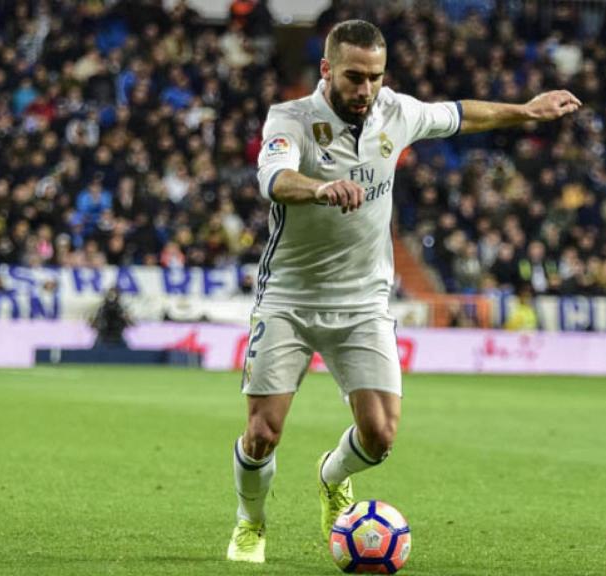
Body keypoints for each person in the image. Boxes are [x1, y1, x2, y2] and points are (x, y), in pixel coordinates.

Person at [227, 19, 581, 563]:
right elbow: (271, 178)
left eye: (374, 77)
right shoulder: (291, 119)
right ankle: (251, 522)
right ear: (326, 70)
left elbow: (459, 114)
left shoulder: (397, 110)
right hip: (289, 299)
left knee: (381, 436)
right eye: (353, 77)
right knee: (262, 433)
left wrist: (525, 111)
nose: (365, 89)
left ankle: (332, 475)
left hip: (365, 301)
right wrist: (320, 188)